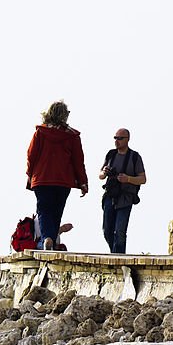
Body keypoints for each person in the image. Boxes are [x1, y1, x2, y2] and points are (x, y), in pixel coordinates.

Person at [26, 101, 88, 250]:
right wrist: (83, 182)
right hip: (63, 180)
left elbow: (31, 155)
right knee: (57, 211)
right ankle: (52, 240)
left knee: (44, 210)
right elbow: (78, 161)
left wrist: (29, 174)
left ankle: (47, 238)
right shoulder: (72, 136)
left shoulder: (40, 133)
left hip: (42, 179)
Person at [99, 129, 146, 254]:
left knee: (120, 231)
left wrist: (128, 179)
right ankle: (114, 254)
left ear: (127, 139)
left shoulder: (135, 157)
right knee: (107, 230)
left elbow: (143, 179)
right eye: (115, 138)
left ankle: (119, 258)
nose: (117, 141)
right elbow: (100, 175)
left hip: (126, 198)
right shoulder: (111, 155)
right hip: (110, 195)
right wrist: (105, 172)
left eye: (120, 138)